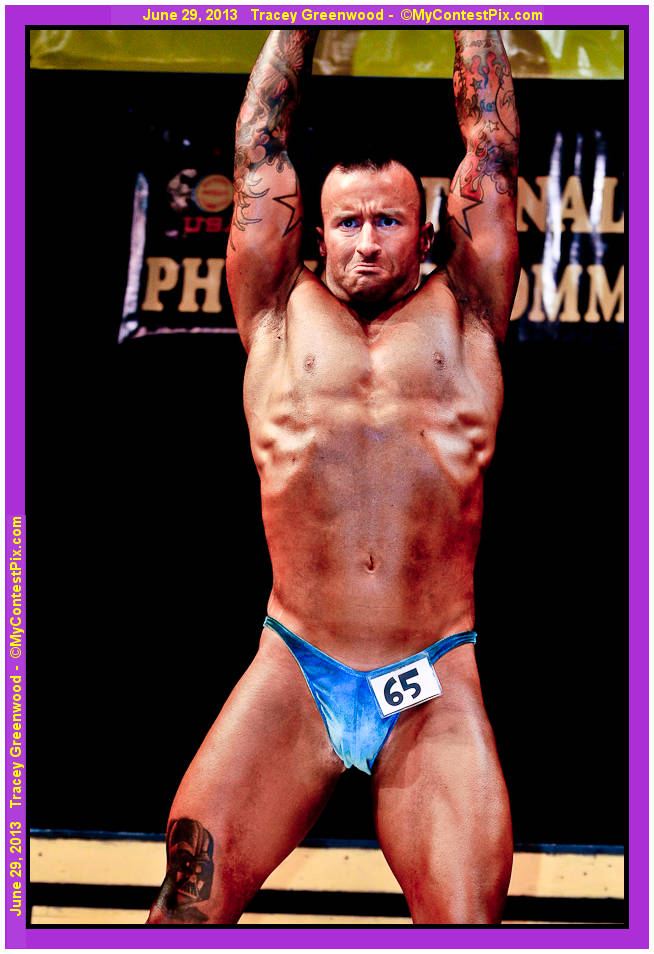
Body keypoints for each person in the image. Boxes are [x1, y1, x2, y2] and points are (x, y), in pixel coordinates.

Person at [148, 27, 520, 926]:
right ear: (315, 233)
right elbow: (259, 145)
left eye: (387, 222)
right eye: (348, 223)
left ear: (426, 233)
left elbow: (493, 148)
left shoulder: (468, 312)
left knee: (467, 928)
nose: (365, 242)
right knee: (183, 915)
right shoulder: (276, 308)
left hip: (432, 677)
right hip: (294, 671)